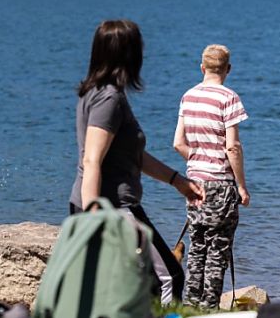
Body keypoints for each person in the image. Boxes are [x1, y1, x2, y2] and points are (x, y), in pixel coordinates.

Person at [69, 19, 205, 305]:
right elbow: (92, 159)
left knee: (125, 287)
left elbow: (130, 154)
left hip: (101, 205)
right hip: (113, 208)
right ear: (129, 54)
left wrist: (177, 181)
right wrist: (94, 218)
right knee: (169, 278)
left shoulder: (94, 94)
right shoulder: (110, 99)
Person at [173, 44, 250, 309]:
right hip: (221, 183)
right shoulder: (229, 98)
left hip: (194, 182)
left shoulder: (188, 97)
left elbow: (178, 143)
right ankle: (209, 308)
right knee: (218, 249)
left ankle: (190, 304)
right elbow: (232, 147)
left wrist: (197, 161)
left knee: (196, 244)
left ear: (202, 67)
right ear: (228, 69)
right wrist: (241, 185)